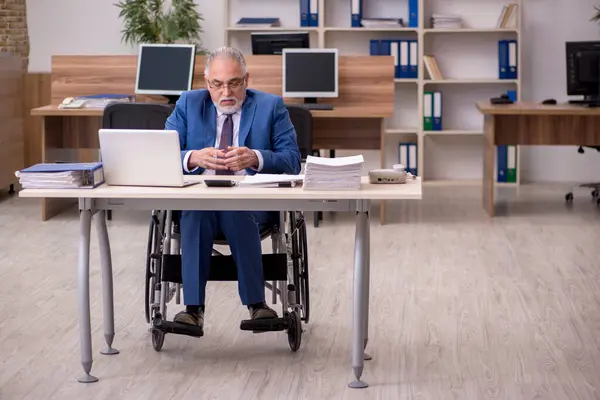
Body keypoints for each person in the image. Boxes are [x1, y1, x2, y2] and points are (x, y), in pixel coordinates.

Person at [165, 46, 302, 333]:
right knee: (194, 213)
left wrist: (256, 157)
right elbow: (162, 153)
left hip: (252, 204)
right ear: (207, 83)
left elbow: (292, 161)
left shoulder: (270, 106)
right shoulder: (188, 104)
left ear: (246, 80)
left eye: (234, 83)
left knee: (236, 210)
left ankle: (257, 305)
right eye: (217, 84)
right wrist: (192, 157)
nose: (226, 92)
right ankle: (193, 310)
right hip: (199, 199)